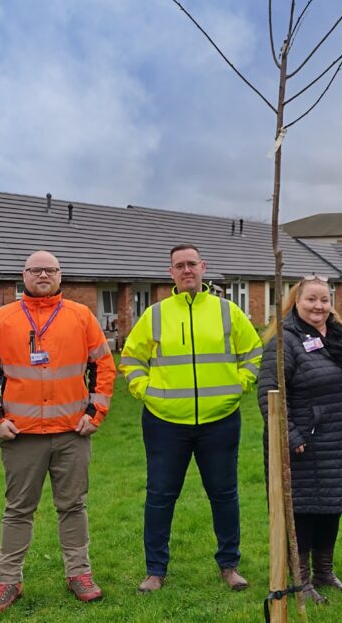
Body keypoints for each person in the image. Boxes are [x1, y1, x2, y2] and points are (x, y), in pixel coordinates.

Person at [0, 250, 116, 612]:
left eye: (49, 270)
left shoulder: (80, 316)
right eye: (36, 270)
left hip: (71, 433)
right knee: (18, 509)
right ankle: (8, 581)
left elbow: (104, 366)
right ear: (24, 276)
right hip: (21, 436)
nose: (43, 276)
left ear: (60, 275)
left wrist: (96, 414)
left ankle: (78, 573)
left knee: (73, 506)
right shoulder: (3, 318)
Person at [120, 244, 263, 593]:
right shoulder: (154, 314)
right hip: (165, 422)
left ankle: (229, 566)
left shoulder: (228, 312)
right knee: (160, 495)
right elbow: (130, 360)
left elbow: (254, 352)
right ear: (170, 273)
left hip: (220, 419)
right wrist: (146, 391)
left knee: (224, 494)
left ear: (203, 267)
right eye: (179, 266)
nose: (186, 270)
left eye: (192, 264)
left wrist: (238, 386)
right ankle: (155, 570)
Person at [257, 276, 342, 604]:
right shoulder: (285, 340)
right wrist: (292, 434)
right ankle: (301, 580)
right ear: (296, 302)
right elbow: (268, 392)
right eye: (311, 300)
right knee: (305, 511)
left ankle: (325, 572)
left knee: (332, 507)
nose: (318, 306)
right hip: (306, 444)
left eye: (324, 300)